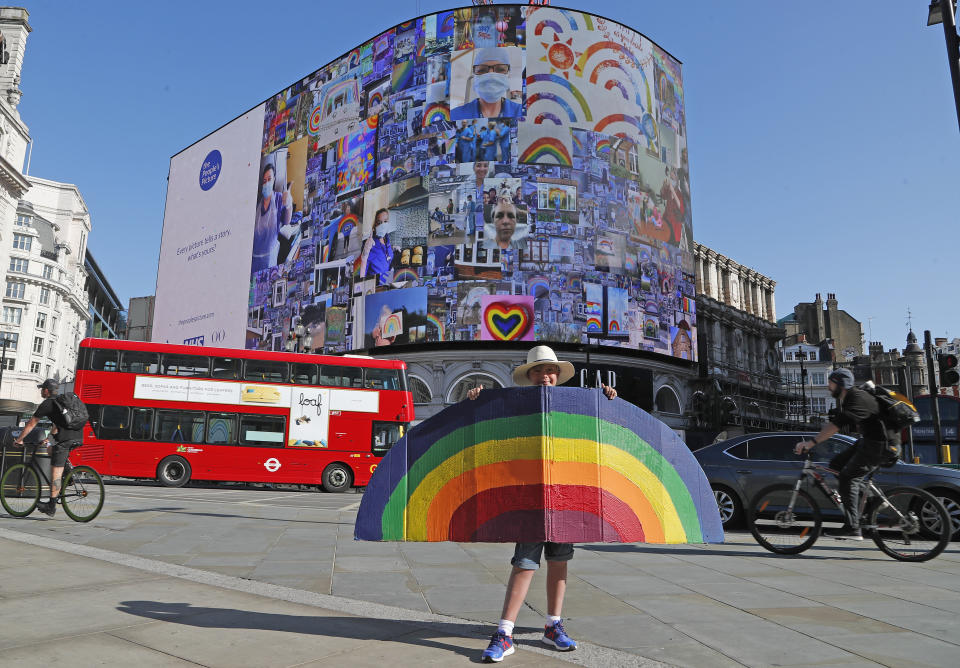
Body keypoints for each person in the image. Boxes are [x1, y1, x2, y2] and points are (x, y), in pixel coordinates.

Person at [467, 346, 616, 663]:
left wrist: (606, 399)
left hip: (564, 499)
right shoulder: (517, 407)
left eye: (550, 371)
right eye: (537, 371)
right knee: (524, 564)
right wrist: (477, 399)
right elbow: (490, 430)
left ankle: (553, 625)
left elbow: (597, 434)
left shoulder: (574, 406)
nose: (544, 376)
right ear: (529, 377)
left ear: (558, 377)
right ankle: (504, 633)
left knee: (559, 562)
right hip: (529, 500)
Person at [794, 368, 901, 540]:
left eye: (831, 383)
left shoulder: (857, 399)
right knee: (836, 464)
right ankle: (873, 502)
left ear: (840, 384)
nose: (829, 387)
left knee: (848, 478)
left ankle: (853, 527)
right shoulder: (852, 397)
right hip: (870, 441)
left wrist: (811, 443)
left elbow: (836, 426)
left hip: (882, 445)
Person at [13, 380, 85, 518]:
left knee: (55, 475)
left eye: (42, 389)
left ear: (47, 390)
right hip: (78, 436)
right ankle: (69, 475)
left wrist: (19, 439)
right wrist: (49, 439)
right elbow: (59, 424)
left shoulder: (47, 404)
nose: (41, 391)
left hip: (65, 440)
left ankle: (51, 506)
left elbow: (31, 424)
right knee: (50, 450)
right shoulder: (61, 402)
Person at [451, 47, 522, 120]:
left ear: (508, 74)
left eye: (500, 69)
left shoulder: (520, 111)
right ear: (475, 75)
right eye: (482, 70)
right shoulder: (454, 115)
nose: (491, 76)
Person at [252, 163, 292, 272]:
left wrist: (288, 205)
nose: (267, 183)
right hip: (254, 257)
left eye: (269, 179)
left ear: (274, 179)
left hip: (269, 257)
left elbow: (286, 221)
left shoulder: (279, 198)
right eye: (264, 181)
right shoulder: (257, 205)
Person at [360, 208, 394, 285]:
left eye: (385, 221)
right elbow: (362, 274)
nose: (383, 225)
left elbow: (385, 257)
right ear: (375, 224)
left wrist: (393, 248)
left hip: (388, 283)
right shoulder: (370, 243)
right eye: (379, 222)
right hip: (376, 287)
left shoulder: (387, 239)